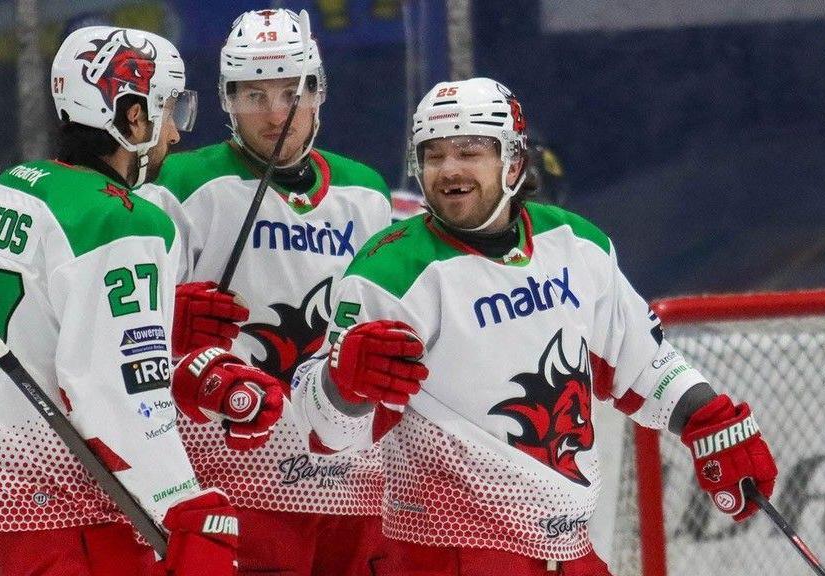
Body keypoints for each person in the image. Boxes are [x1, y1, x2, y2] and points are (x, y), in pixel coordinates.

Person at [291, 77, 778, 575]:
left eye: (469, 151)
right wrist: (340, 386)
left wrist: (708, 420)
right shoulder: (388, 273)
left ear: (514, 162)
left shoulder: (575, 244)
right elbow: (326, 434)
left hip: (568, 552)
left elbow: (643, 362)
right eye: (433, 155)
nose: (449, 169)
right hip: (444, 555)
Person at [0, 26, 282, 576]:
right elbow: (117, 391)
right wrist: (182, 505)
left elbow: (42, 333)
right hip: (54, 521)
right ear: (133, 117)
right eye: (169, 111)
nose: (174, 134)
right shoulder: (122, 219)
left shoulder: (2, 191)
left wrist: (164, 340)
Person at [139, 8, 393, 575]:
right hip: (232, 475)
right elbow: (123, 327)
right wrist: (162, 320)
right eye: (255, 96)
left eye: (290, 93)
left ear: (318, 93)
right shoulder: (179, 183)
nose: (276, 114)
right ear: (227, 100)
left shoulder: (368, 194)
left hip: (350, 483)